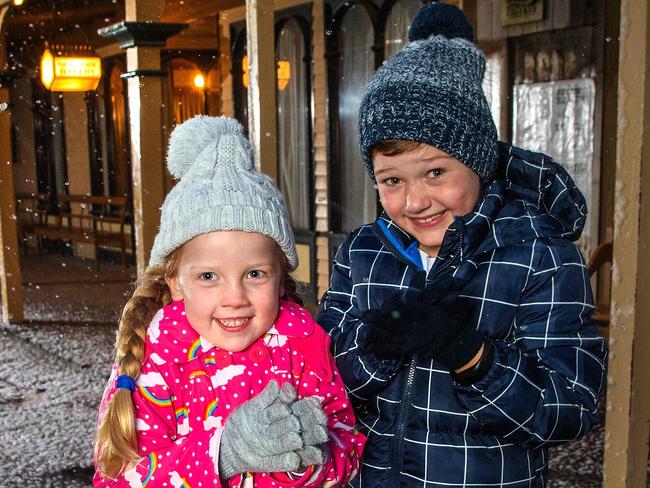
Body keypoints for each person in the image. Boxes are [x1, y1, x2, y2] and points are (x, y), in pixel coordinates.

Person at [316, 3, 606, 487]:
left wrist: (470, 354)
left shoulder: (538, 254)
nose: (415, 201)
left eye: (435, 172)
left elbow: (571, 409)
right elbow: (322, 379)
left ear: (477, 161)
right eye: (391, 180)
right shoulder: (364, 252)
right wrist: (374, 347)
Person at [93, 116, 365, 487]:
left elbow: (347, 447)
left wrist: (304, 461)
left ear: (280, 276)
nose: (235, 298)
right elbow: (117, 478)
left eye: (255, 274)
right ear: (176, 283)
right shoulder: (157, 355)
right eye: (208, 277)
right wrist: (224, 453)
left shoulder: (302, 342)